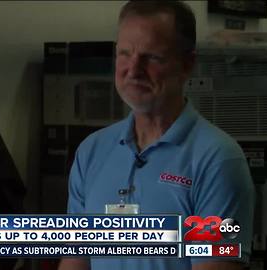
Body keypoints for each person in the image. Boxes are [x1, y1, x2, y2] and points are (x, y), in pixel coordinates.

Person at [59, 1, 255, 270]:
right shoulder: (91, 152)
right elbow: (75, 260)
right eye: (125, 53)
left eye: (152, 57)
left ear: (187, 64)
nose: (133, 69)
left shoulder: (217, 160)